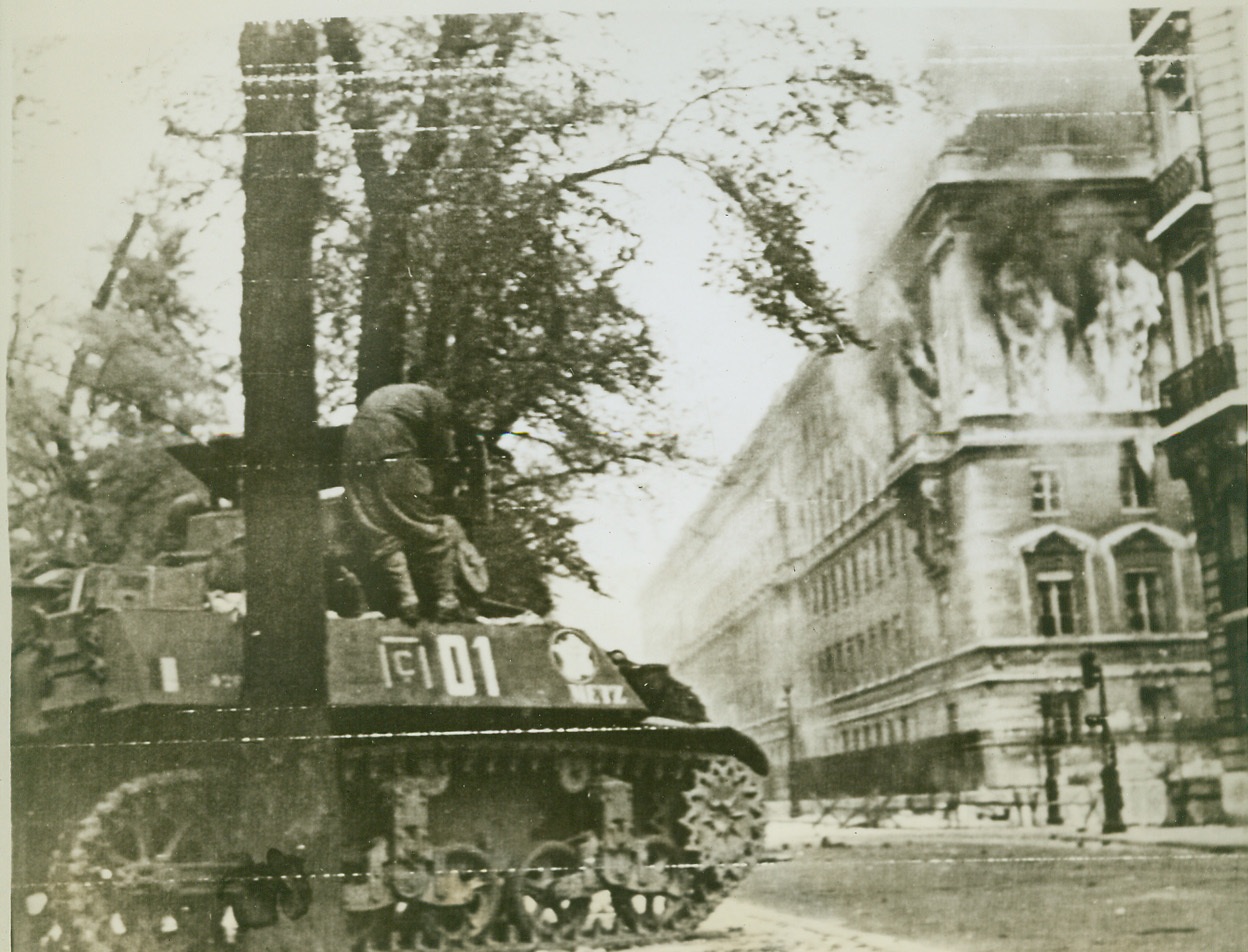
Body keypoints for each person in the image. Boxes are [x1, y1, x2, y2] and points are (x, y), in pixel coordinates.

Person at [341, 383, 470, 624]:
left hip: (353, 451)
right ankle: (447, 600)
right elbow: (441, 452)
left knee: (378, 530)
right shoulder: (438, 403)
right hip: (393, 449)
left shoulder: (399, 394)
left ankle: (408, 599)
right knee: (426, 526)